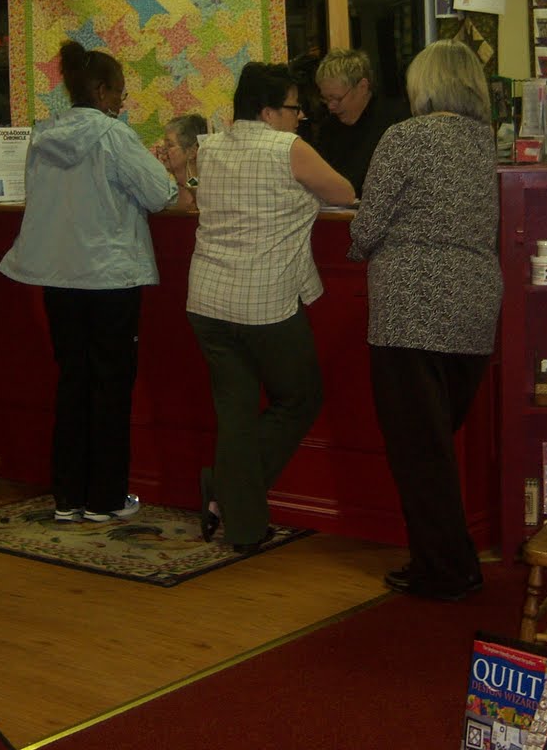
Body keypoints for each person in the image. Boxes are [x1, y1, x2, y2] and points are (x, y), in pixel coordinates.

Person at [0, 40, 179, 523]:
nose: (122, 100)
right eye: (119, 91)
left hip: (58, 277)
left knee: (72, 382)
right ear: (100, 92)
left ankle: (68, 496)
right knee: (111, 387)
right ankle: (105, 498)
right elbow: (160, 193)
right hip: (110, 277)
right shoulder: (114, 137)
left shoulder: (44, 137)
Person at [349, 40, 502, 600]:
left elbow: (368, 224)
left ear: (426, 84)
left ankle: (445, 568)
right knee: (434, 444)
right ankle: (452, 559)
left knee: (419, 450)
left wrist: (357, 247)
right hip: (474, 308)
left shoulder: (405, 138)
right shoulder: (484, 142)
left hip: (410, 310)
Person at [187, 63, 356, 552]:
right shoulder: (286, 147)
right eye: (293, 108)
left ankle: (241, 521)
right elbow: (345, 192)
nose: (300, 117)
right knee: (300, 399)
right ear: (266, 111)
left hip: (207, 298)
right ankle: (227, 494)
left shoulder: (209, 147)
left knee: (235, 415)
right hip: (263, 302)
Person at [311, 48, 409, 195]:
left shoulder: (396, 124)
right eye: (326, 99)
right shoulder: (328, 128)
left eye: (337, 98)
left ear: (362, 87)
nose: (331, 107)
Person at [153, 113, 208, 208]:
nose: (163, 150)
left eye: (170, 145)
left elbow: (193, 186)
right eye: (164, 145)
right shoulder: (169, 190)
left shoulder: (201, 189)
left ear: (192, 152)